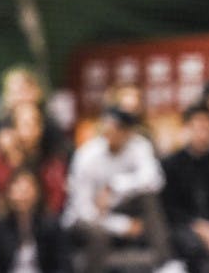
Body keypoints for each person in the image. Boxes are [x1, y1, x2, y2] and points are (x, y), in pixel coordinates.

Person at [61, 106, 177, 273]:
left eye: (116, 129)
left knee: (149, 199)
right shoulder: (86, 156)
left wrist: (115, 186)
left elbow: (155, 181)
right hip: (86, 217)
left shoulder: (138, 146)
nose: (110, 133)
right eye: (106, 128)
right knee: (98, 234)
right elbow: (82, 209)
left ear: (128, 132)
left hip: (120, 206)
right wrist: (121, 225)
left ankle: (165, 262)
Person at [161, 102, 209, 272]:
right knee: (192, 245)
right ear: (186, 129)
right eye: (197, 128)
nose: (202, 134)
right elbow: (170, 207)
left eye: (207, 128)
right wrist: (200, 227)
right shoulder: (171, 164)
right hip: (187, 226)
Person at [0, 168, 70, 273]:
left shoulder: (51, 225)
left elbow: (62, 265)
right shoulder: (0, 226)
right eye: (18, 189)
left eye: (26, 190)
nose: (22, 195)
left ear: (37, 192)